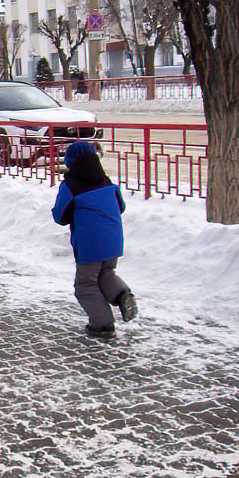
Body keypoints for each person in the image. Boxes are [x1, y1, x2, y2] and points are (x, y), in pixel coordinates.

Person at [51, 141, 137, 339]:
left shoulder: (71, 185)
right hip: (114, 240)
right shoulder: (106, 182)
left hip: (90, 245)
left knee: (85, 285)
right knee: (106, 273)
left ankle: (102, 325)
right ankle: (123, 295)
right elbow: (121, 207)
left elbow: (60, 216)